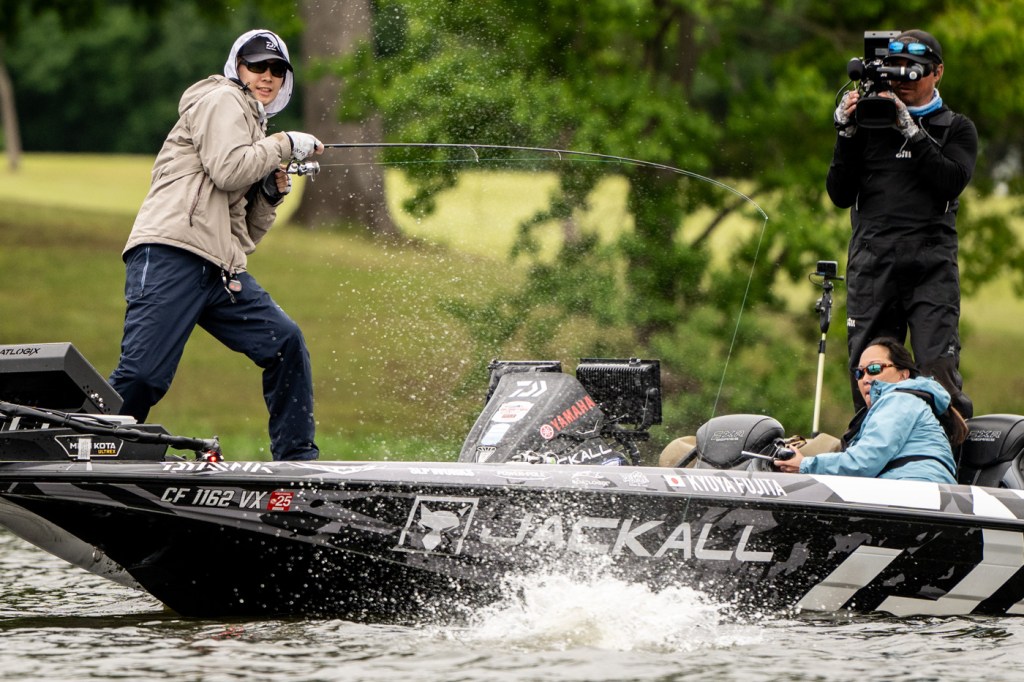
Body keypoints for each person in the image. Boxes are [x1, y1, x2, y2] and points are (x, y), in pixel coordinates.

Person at [108, 29, 324, 460]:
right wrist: (283, 144)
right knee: (144, 375)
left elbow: (241, 237)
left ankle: (298, 463)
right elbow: (227, 170)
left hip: (219, 270)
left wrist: (267, 197)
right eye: (257, 65)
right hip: (171, 252)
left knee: (285, 343)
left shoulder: (254, 130)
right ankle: (79, 446)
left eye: (277, 69)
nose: (267, 75)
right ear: (237, 68)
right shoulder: (222, 99)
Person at [826, 29, 977, 418]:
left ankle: (943, 449)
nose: (902, 80)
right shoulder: (868, 126)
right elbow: (839, 194)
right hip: (873, 262)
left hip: (931, 265)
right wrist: (846, 132)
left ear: (937, 73)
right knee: (870, 369)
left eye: (914, 71)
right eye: (895, 69)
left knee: (937, 369)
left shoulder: (955, 128)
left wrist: (909, 127)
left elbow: (950, 181)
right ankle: (869, 447)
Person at [774, 337, 957, 483]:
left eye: (875, 369)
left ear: (903, 374)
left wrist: (805, 465)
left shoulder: (900, 399)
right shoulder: (906, 402)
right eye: (859, 373)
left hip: (915, 488)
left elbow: (864, 462)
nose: (866, 379)